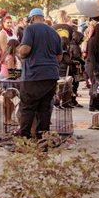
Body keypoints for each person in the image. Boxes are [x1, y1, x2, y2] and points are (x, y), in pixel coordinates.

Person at [16, 8, 63, 138]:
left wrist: (19, 52)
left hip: (33, 75)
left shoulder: (30, 29)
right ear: (42, 18)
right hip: (51, 75)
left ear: (32, 18)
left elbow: (25, 50)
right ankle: (43, 138)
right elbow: (59, 58)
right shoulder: (54, 32)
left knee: (27, 107)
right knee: (45, 108)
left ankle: (24, 137)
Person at [85, 23, 99, 113]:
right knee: (95, 84)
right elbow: (91, 56)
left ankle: (97, 105)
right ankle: (91, 106)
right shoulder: (92, 41)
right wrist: (95, 69)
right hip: (92, 64)